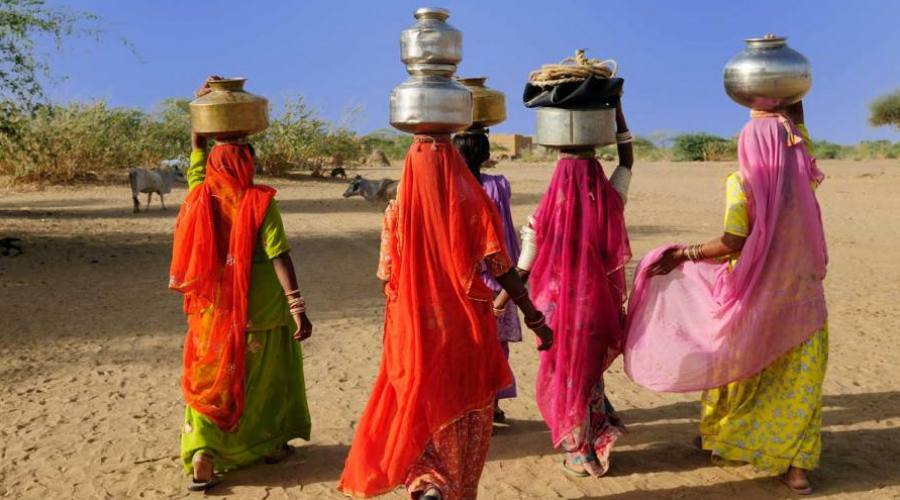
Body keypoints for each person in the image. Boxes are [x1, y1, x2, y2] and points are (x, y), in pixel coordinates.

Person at [625, 102, 827, 495]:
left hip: (755, 296)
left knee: (740, 368)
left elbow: (734, 240)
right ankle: (797, 469)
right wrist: (790, 98)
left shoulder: (742, 181)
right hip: (803, 296)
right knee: (799, 385)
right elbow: (800, 138)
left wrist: (684, 254)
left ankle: (724, 438)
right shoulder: (803, 177)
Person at [338, 134, 553, 500]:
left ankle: (428, 483)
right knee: (465, 412)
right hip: (466, 331)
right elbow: (501, 268)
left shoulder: (395, 213)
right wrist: (534, 317)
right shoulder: (473, 205)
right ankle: (453, 487)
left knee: (417, 406)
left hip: (414, 333)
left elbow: (387, 277)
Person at [169, 77, 313, 492]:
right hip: (264, 308)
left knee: (213, 375)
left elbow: (198, 152)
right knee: (262, 378)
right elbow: (278, 254)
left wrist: (202, 108)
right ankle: (265, 445)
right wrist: (297, 305)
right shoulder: (260, 201)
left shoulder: (200, 193)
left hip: (213, 306)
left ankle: (204, 451)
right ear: (247, 164)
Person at [494, 105, 635, 477]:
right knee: (587, 376)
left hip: (554, 313)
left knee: (564, 377)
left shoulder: (541, 218)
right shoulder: (611, 202)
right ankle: (593, 440)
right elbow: (627, 164)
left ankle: (578, 451)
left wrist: (500, 302)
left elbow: (522, 269)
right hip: (595, 309)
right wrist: (617, 113)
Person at [453, 129, 522, 423]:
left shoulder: (450, 186)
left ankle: (473, 407)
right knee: (496, 346)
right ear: (485, 155)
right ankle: (492, 405)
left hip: (462, 283)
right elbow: (504, 231)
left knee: (466, 347)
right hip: (498, 282)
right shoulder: (498, 185)